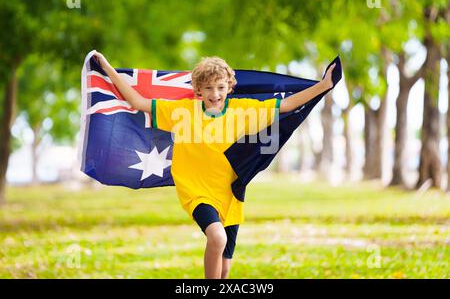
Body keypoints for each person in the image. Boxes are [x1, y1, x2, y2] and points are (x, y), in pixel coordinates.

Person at [93, 51, 335, 279]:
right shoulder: (181, 111)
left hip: (230, 194)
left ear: (230, 88)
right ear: (198, 89)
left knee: (225, 266)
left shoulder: (243, 111)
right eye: (208, 88)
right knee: (216, 237)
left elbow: (285, 105)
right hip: (195, 190)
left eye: (220, 87)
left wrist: (323, 86)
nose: (215, 93)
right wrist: (107, 67)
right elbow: (138, 101)